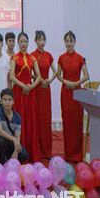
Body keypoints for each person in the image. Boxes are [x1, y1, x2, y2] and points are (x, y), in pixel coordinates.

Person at [9, 32, 42, 162]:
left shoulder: (32, 58)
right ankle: (18, 151)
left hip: (30, 93)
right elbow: (11, 76)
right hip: (18, 92)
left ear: (28, 43)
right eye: (21, 41)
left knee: (30, 121)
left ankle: (31, 152)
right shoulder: (14, 58)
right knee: (19, 120)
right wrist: (23, 86)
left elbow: (39, 77)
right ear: (18, 43)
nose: (23, 44)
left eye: (25, 41)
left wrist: (31, 86)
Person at [57, 31, 89, 163]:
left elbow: (86, 76)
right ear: (64, 42)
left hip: (77, 93)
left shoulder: (80, 58)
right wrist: (66, 82)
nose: (68, 43)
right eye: (67, 41)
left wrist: (75, 83)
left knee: (77, 122)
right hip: (65, 92)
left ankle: (77, 154)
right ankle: (68, 154)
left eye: (71, 41)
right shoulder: (61, 58)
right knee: (67, 122)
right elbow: (58, 75)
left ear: (74, 42)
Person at [31, 30, 56, 160]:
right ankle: (38, 150)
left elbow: (56, 72)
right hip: (36, 89)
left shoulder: (48, 55)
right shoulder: (32, 56)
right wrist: (39, 79)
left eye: (43, 40)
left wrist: (49, 80)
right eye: (39, 40)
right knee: (37, 119)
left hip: (46, 89)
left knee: (46, 119)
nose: (41, 42)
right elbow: (29, 73)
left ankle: (47, 151)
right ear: (35, 41)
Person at [0, 89, 29, 163]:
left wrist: (16, 151)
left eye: (9, 100)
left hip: (12, 143)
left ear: (13, 101)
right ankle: (2, 161)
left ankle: (12, 161)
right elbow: (0, 131)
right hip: (2, 141)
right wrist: (13, 139)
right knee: (0, 141)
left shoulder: (17, 117)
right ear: (1, 101)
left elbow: (17, 136)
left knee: (24, 155)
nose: (7, 102)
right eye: (5, 100)